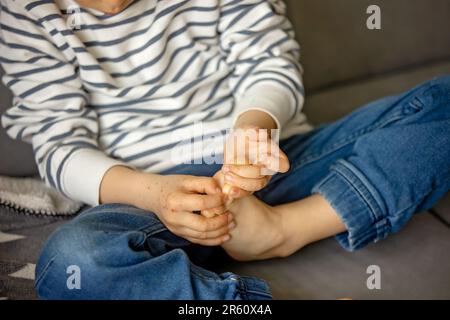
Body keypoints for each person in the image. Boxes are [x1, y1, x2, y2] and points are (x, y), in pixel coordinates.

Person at [1, 0, 449, 299]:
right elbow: (60, 144)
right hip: (146, 193)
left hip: (278, 157)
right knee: (74, 262)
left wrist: (253, 132)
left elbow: (268, 63)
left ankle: (283, 228)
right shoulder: (23, 10)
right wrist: (154, 195)